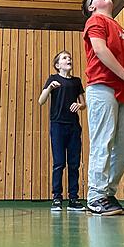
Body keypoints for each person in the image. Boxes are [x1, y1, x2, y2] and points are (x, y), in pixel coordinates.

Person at [82, 0, 124, 216]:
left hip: (122, 90)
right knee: (103, 141)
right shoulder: (95, 21)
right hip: (101, 88)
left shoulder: (119, 28)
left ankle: (107, 193)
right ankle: (96, 196)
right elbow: (99, 50)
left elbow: (120, 61)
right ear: (91, 7)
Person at [39, 50, 86, 211]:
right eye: (64, 58)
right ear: (58, 65)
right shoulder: (53, 79)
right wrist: (49, 88)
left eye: (70, 57)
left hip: (73, 127)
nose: (69, 59)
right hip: (58, 125)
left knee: (74, 164)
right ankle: (57, 198)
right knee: (59, 163)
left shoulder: (76, 81)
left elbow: (83, 104)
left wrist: (80, 105)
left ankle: (73, 199)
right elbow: (41, 101)